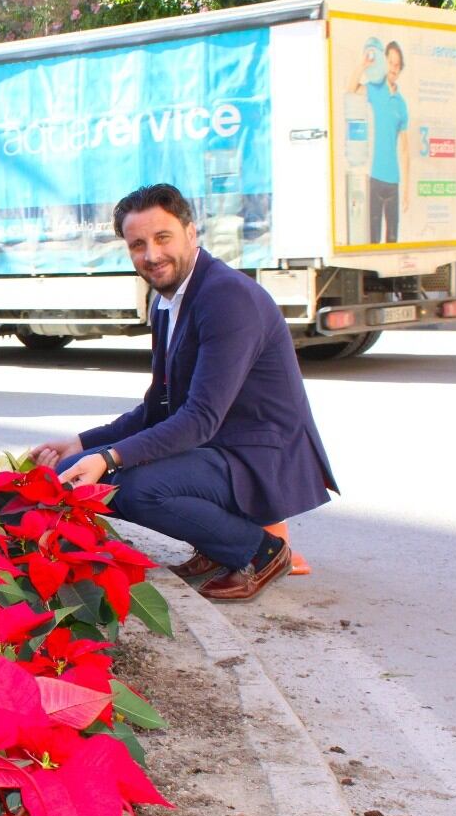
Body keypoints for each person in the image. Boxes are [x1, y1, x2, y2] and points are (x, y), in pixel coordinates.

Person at [30, 184, 337, 602]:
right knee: (76, 470)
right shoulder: (167, 302)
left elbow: (199, 418)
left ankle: (260, 553)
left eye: (162, 238)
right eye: (138, 244)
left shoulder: (226, 297)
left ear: (191, 233)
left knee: (133, 488)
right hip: (216, 447)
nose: (151, 255)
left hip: (261, 456)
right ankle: (215, 550)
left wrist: (109, 458)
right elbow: (157, 406)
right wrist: (81, 444)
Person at [348, 38, 409, 243]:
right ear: (385, 63)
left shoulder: (401, 104)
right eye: (390, 63)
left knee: (393, 238)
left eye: (397, 64)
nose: (393, 68)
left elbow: (405, 150)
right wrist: (362, 66)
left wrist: (407, 190)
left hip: (394, 181)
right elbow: (351, 89)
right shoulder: (375, 90)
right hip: (375, 177)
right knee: (373, 238)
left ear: (400, 68)